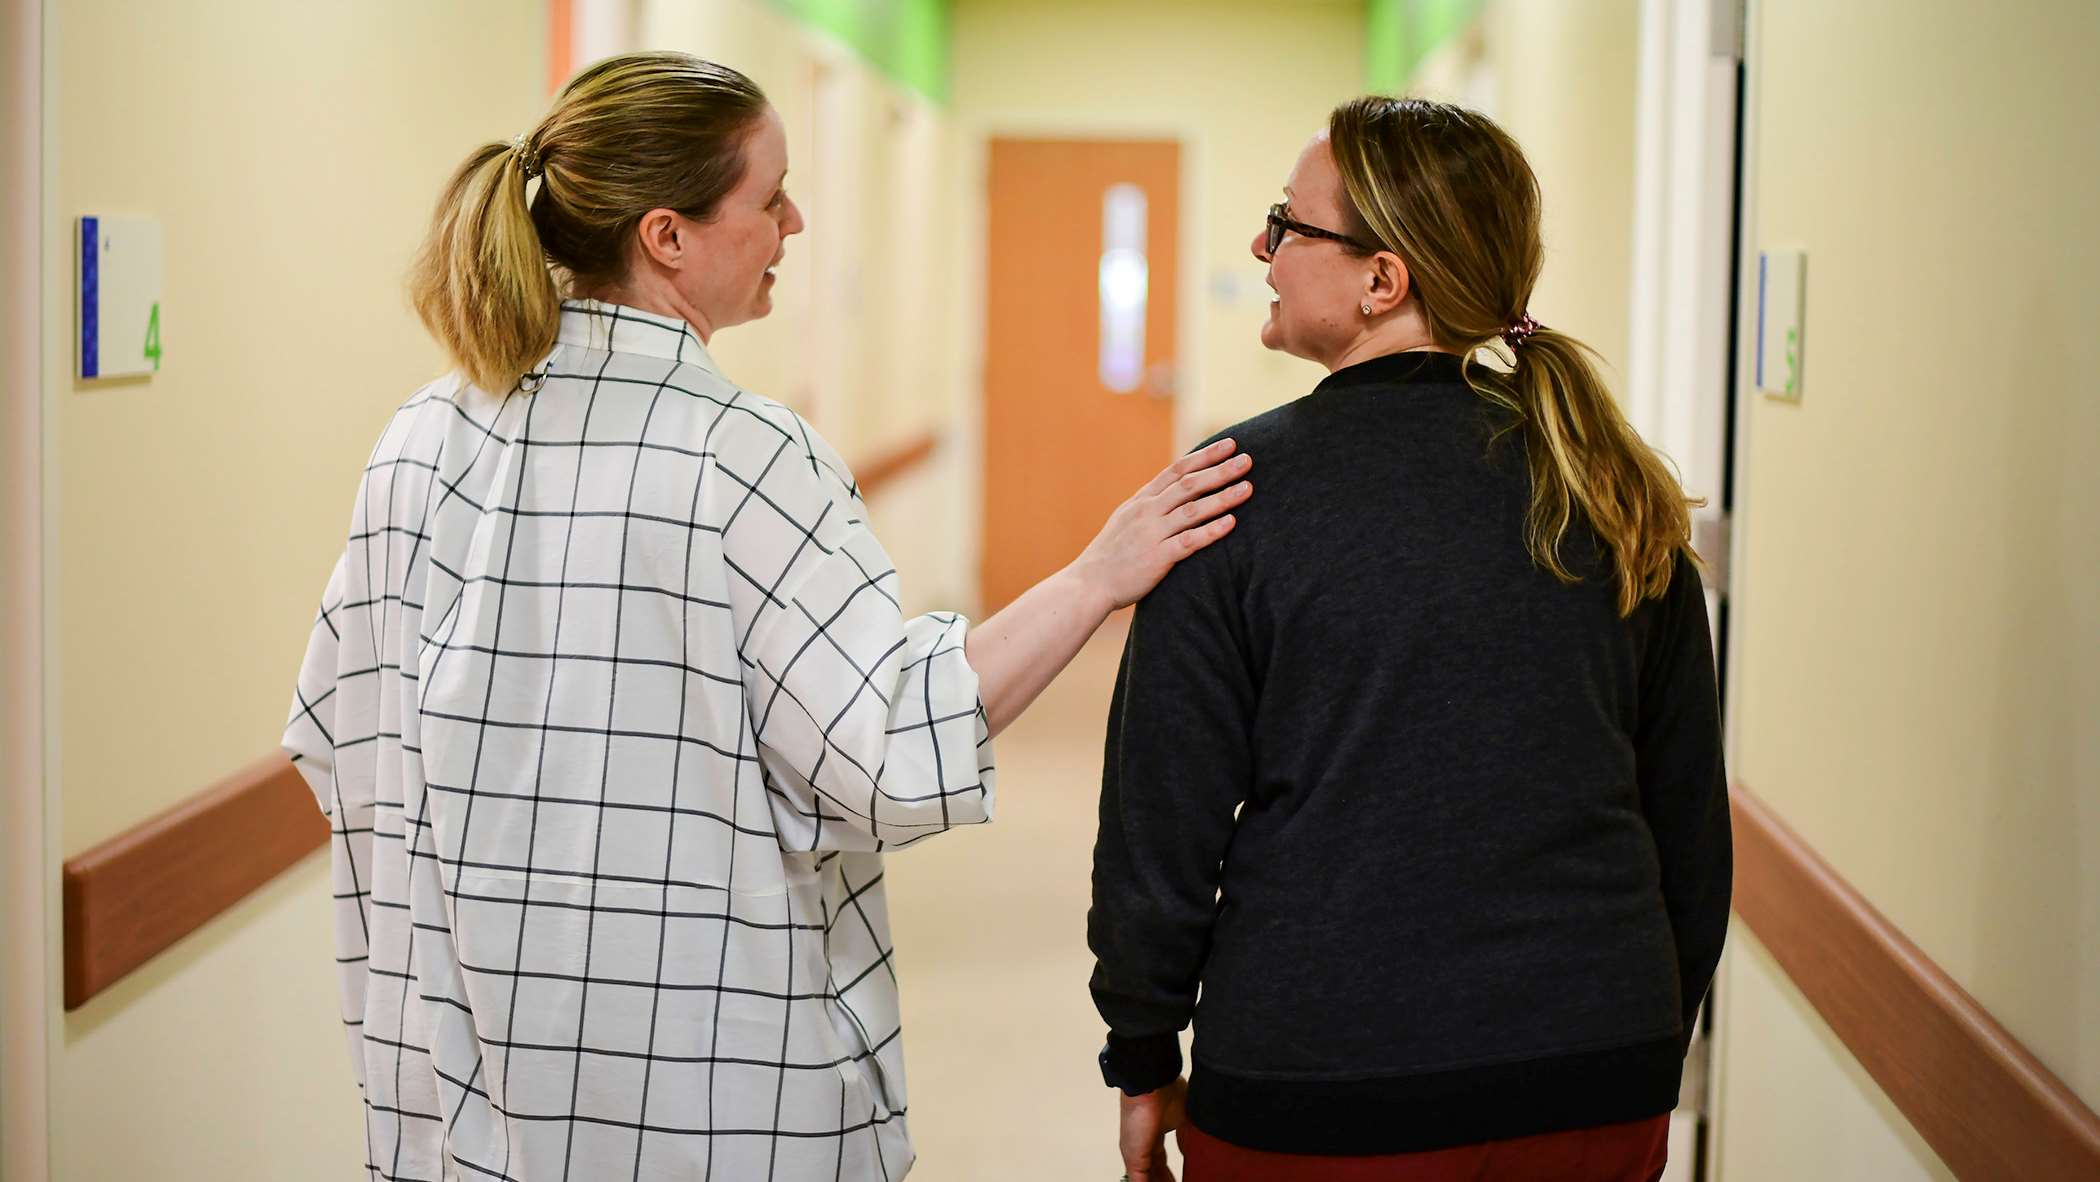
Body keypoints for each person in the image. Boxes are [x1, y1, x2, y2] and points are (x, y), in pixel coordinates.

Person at [282, 52, 1251, 1182]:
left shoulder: (422, 436)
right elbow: (884, 754)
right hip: (695, 1103)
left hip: (452, 1103)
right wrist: (1096, 577)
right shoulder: (743, 456)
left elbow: (330, 736)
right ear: (667, 236)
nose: (795, 222)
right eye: (770, 195)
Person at [1087, 96, 1731, 1182]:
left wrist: (1143, 1051)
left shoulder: (1232, 490)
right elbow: (1687, 827)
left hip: (1320, 1091)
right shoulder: (1611, 487)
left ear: (1383, 281)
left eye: (1288, 225)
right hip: (1594, 1077)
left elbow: (1162, 820)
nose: (1263, 247)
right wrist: (1637, 1042)